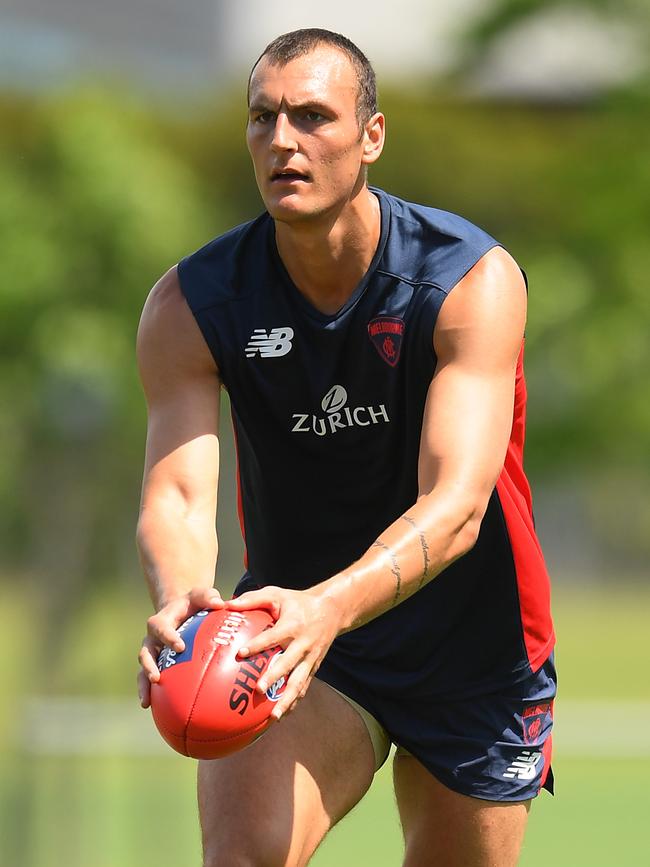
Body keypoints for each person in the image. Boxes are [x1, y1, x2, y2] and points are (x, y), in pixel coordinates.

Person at [136, 28, 555, 867]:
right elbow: (179, 493)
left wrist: (330, 603)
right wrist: (185, 601)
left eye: (312, 116)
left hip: (471, 643)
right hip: (290, 633)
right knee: (242, 857)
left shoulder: (468, 279)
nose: (282, 140)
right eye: (263, 118)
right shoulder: (193, 302)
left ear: (372, 136)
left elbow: (457, 506)